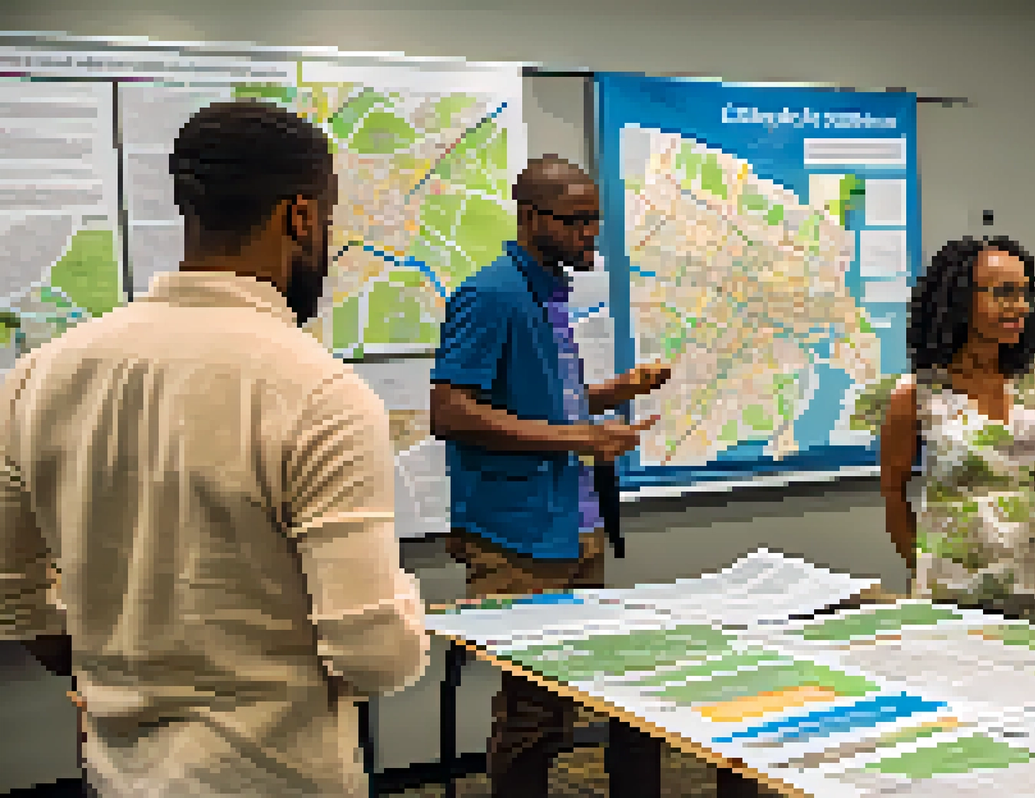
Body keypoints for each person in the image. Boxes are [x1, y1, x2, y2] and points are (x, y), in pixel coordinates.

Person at [0, 100, 431, 797]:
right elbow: (375, 656)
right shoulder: (319, 392)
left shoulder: (40, 375)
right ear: (302, 216)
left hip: (117, 775)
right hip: (279, 779)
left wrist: (115, 666)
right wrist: (406, 602)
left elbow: (14, 597)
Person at [428, 154, 671, 797]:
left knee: (587, 698)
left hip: (571, 526)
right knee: (533, 713)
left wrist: (615, 391)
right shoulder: (491, 296)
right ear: (533, 218)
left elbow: (539, 405)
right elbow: (450, 410)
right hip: (518, 536)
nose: (590, 235)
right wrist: (579, 437)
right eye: (576, 222)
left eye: (595, 222)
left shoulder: (548, 295)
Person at [880, 236, 1035, 623]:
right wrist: (923, 567)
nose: (1020, 307)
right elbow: (894, 494)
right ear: (958, 299)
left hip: (1033, 580)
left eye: (1025, 293)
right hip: (951, 587)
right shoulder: (916, 393)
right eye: (1004, 293)